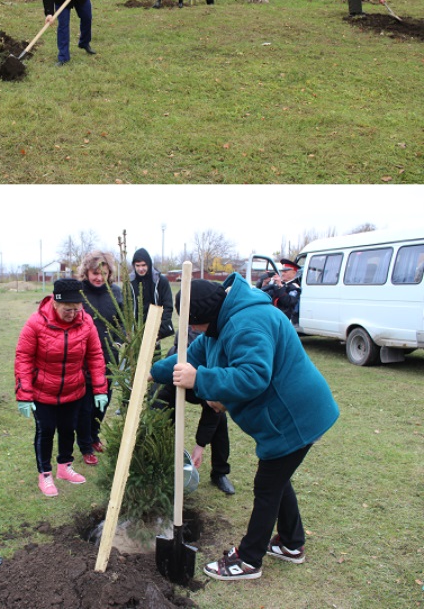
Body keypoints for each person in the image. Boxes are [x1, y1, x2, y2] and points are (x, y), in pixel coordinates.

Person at [150, 274, 339, 582]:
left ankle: (249, 560)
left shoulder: (246, 323)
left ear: (204, 318)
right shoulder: (220, 323)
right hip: (287, 416)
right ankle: (292, 544)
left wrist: (201, 381)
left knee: (268, 484)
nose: (192, 331)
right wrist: (153, 372)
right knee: (278, 480)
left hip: (297, 416)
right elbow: (190, 356)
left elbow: (253, 376)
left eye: (193, 325)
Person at [14, 278, 108, 497]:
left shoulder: (86, 323)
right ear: (55, 303)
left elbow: (95, 355)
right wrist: (24, 395)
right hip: (43, 391)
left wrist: (100, 389)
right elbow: (24, 358)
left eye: (77, 309)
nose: (73, 314)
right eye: (68, 309)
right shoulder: (36, 323)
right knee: (45, 431)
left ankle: (65, 467)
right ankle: (45, 474)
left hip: (74, 389)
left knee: (68, 429)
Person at [155, 283, 234, 495]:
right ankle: (166, 464)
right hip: (179, 385)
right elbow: (160, 401)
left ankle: (220, 472)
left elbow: (214, 408)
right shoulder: (177, 358)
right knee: (163, 413)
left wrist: (200, 446)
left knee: (219, 420)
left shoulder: (214, 355)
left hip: (205, 386)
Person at [75, 251, 124, 464]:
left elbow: (122, 319)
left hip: (109, 355)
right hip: (82, 358)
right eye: (95, 273)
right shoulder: (78, 293)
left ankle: (94, 436)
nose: (98, 277)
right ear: (86, 271)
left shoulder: (116, 293)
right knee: (85, 405)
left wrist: (119, 339)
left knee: (103, 401)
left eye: (103, 273)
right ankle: (85, 445)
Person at [129, 247, 174, 355]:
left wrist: (160, 330)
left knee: (154, 364)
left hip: (154, 330)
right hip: (136, 332)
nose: (141, 269)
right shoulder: (129, 282)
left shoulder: (160, 281)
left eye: (143, 265)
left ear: (149, 264)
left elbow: (167, 306)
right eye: (137, 266)